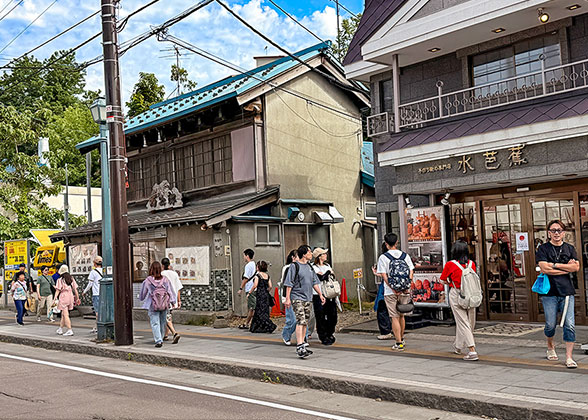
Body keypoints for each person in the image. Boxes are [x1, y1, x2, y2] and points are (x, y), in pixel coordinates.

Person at [536, 220, 580, 369]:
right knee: (550, 325)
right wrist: (566, 268)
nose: (556, 233)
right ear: (549, 233)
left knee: (570, 325)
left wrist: (554, 265)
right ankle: (550, 346)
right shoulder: (543, 249)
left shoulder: (569, 248)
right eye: (553, 230)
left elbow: (576, 267)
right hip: (549, 292)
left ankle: (569, 357)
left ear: (563, 233)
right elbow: (544, 268)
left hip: (567, 292)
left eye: (559, 230)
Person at [284, 245, 326, 358]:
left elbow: (314, 282)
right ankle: (299, 346)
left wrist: (321, 294)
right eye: (309, 252)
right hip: (297, 297)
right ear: (304, 254)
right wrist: (287, 298)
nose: (311, 254)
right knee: (301, 320)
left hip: (308, 297)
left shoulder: (309, 267)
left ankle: (302, 343)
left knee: (305, 322)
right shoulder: (294, 266)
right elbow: (289, 283)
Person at [440, 241, 479, 361]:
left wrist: (450, 282)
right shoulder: (471, 264)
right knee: (469, 322)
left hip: (457, 294)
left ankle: (472, 350)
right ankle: (458, 346)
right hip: (471, 294)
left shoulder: (450, 264)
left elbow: (442, 280)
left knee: (462, 322)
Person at [376, 232, 414, 351]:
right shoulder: (405, 256)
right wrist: (406, 286)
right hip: (404, 289)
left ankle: (398, 343)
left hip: (390, 291)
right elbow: (411, 272)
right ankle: (401, 338)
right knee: (402, 316)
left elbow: (384, 275)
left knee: (394, 317)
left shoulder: (383, 257)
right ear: (396, 242)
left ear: (386, 244)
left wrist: (393, 288)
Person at [139, 261, 176, 348]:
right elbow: (170, 291)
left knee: (155, 323)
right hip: (164, 304)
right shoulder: (165, 280)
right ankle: (161, 337)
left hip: (153, 305)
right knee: (162, 322)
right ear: (160, 269)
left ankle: (158, 340)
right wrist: (173, 302)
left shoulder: (148, 281)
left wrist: (141, 298)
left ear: (151, 269)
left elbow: (142, 295)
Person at [280, 250, 309, 345]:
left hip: (301, 297)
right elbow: (286, 284)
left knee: (303, 319)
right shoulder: (288, 268)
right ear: (293, 258)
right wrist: (286, 298)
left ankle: (303, 339)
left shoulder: (304, 267)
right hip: (291, 297)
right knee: (292, 320)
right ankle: (286, 335)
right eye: (298, 256)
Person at [312, 248, 338, 345]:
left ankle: (330, 332)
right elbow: (320, 278)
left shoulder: (327, 265)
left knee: (333, 316)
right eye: (324, 254)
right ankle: (323, 336)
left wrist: (327, 273)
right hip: (318, 294)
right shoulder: (313, 267)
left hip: (330, 293)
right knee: (321, 317)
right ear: (319, 256)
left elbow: (331, 276)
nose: (326, 255)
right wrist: (328, 273)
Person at [249, 261, 277, 333]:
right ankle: (264, 326)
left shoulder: (257, 276)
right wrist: (267, 290)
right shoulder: (267, 276)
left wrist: (250, 292)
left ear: (258, 267)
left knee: (259, 310)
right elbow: (270, 286)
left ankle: (269, 325)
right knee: (265, 310)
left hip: (260, 294)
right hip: (266, 295)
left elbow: (255, 285)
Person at [373, 242, 392, 340]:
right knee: (396, 312)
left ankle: (386, 331)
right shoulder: (401, 255)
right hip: (398, 288)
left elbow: (384, 274)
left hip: (386, 288)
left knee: (382, 309)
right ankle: (398, 333)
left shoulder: (383, 258)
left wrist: (377, 273)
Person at [161, 257, 182, 344]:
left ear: (162, 265)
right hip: (173, 300)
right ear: (169, 265)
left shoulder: (161, 274)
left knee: (165, 317)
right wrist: (179, 300)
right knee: (169, 316)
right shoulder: (174, 274)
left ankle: (174, 333)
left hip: (164, 299)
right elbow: (178, 288)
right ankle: (165, 335)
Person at [54, 268, 80, 336]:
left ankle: (69, 329)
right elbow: (75, 289)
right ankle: (60, 328)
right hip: (70, 296)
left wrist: (55, 298)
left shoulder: (60, 280)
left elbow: (58, 290)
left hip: (63, 296)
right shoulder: (71, 278)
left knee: (65, 314)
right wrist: (77, 298)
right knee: (63, 314)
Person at [82, 256, 103, 333]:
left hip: (96, 294)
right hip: (103, 294)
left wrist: (84, 291)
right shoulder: (104, 271)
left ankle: (98, 327)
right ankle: (96, 326)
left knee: (97, 312)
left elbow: (90, 284)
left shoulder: (93, 272)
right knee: (103, 310)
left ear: (95, 263)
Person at [237, 249, 256, 329]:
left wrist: (241, 288)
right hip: (254, 288)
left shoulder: (248, 266)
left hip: (250, 288)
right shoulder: (254, 264)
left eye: (244, 255)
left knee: (251, 307)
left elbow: (246, 278)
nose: (244, 257)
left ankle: (247, 323)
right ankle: (248, 323)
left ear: (247, 256)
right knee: (252, 307)